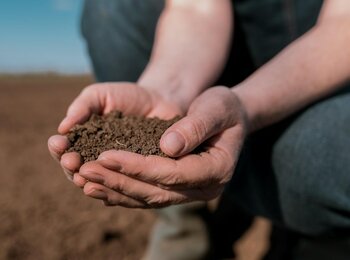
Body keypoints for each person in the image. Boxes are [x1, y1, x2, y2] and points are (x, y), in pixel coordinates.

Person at [48, 0, 350, 259]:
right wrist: (166, 91)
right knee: (111, 10)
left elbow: (343, 25)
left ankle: (297, 228)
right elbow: (197, 7)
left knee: (309, 155)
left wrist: (244, 105)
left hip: (326, 58)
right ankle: (185, 225)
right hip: (232, 48)